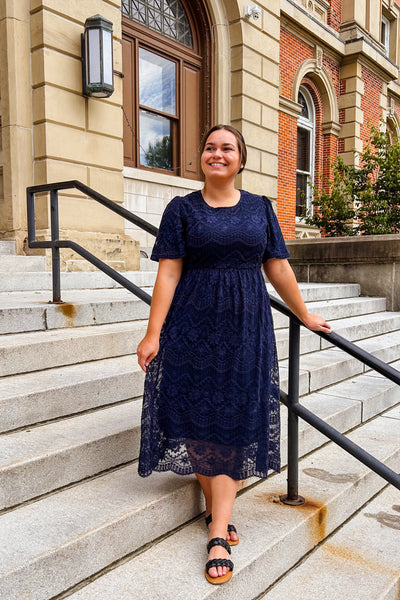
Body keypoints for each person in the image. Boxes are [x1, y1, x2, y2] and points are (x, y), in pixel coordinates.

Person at [137, 124, 331, 585]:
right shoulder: (181, 209)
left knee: (233, 418)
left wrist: (303, 314)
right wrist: (153, 333)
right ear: (200, 157)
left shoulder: (261, 208)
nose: (216, 154)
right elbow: (167, 275)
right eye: (209, 147)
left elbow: (278, 266)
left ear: (240, 159)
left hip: (246, 327)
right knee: (201, 416)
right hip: (192, 325)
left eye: (227, 148)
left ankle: (217, 529)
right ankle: (220, 520)